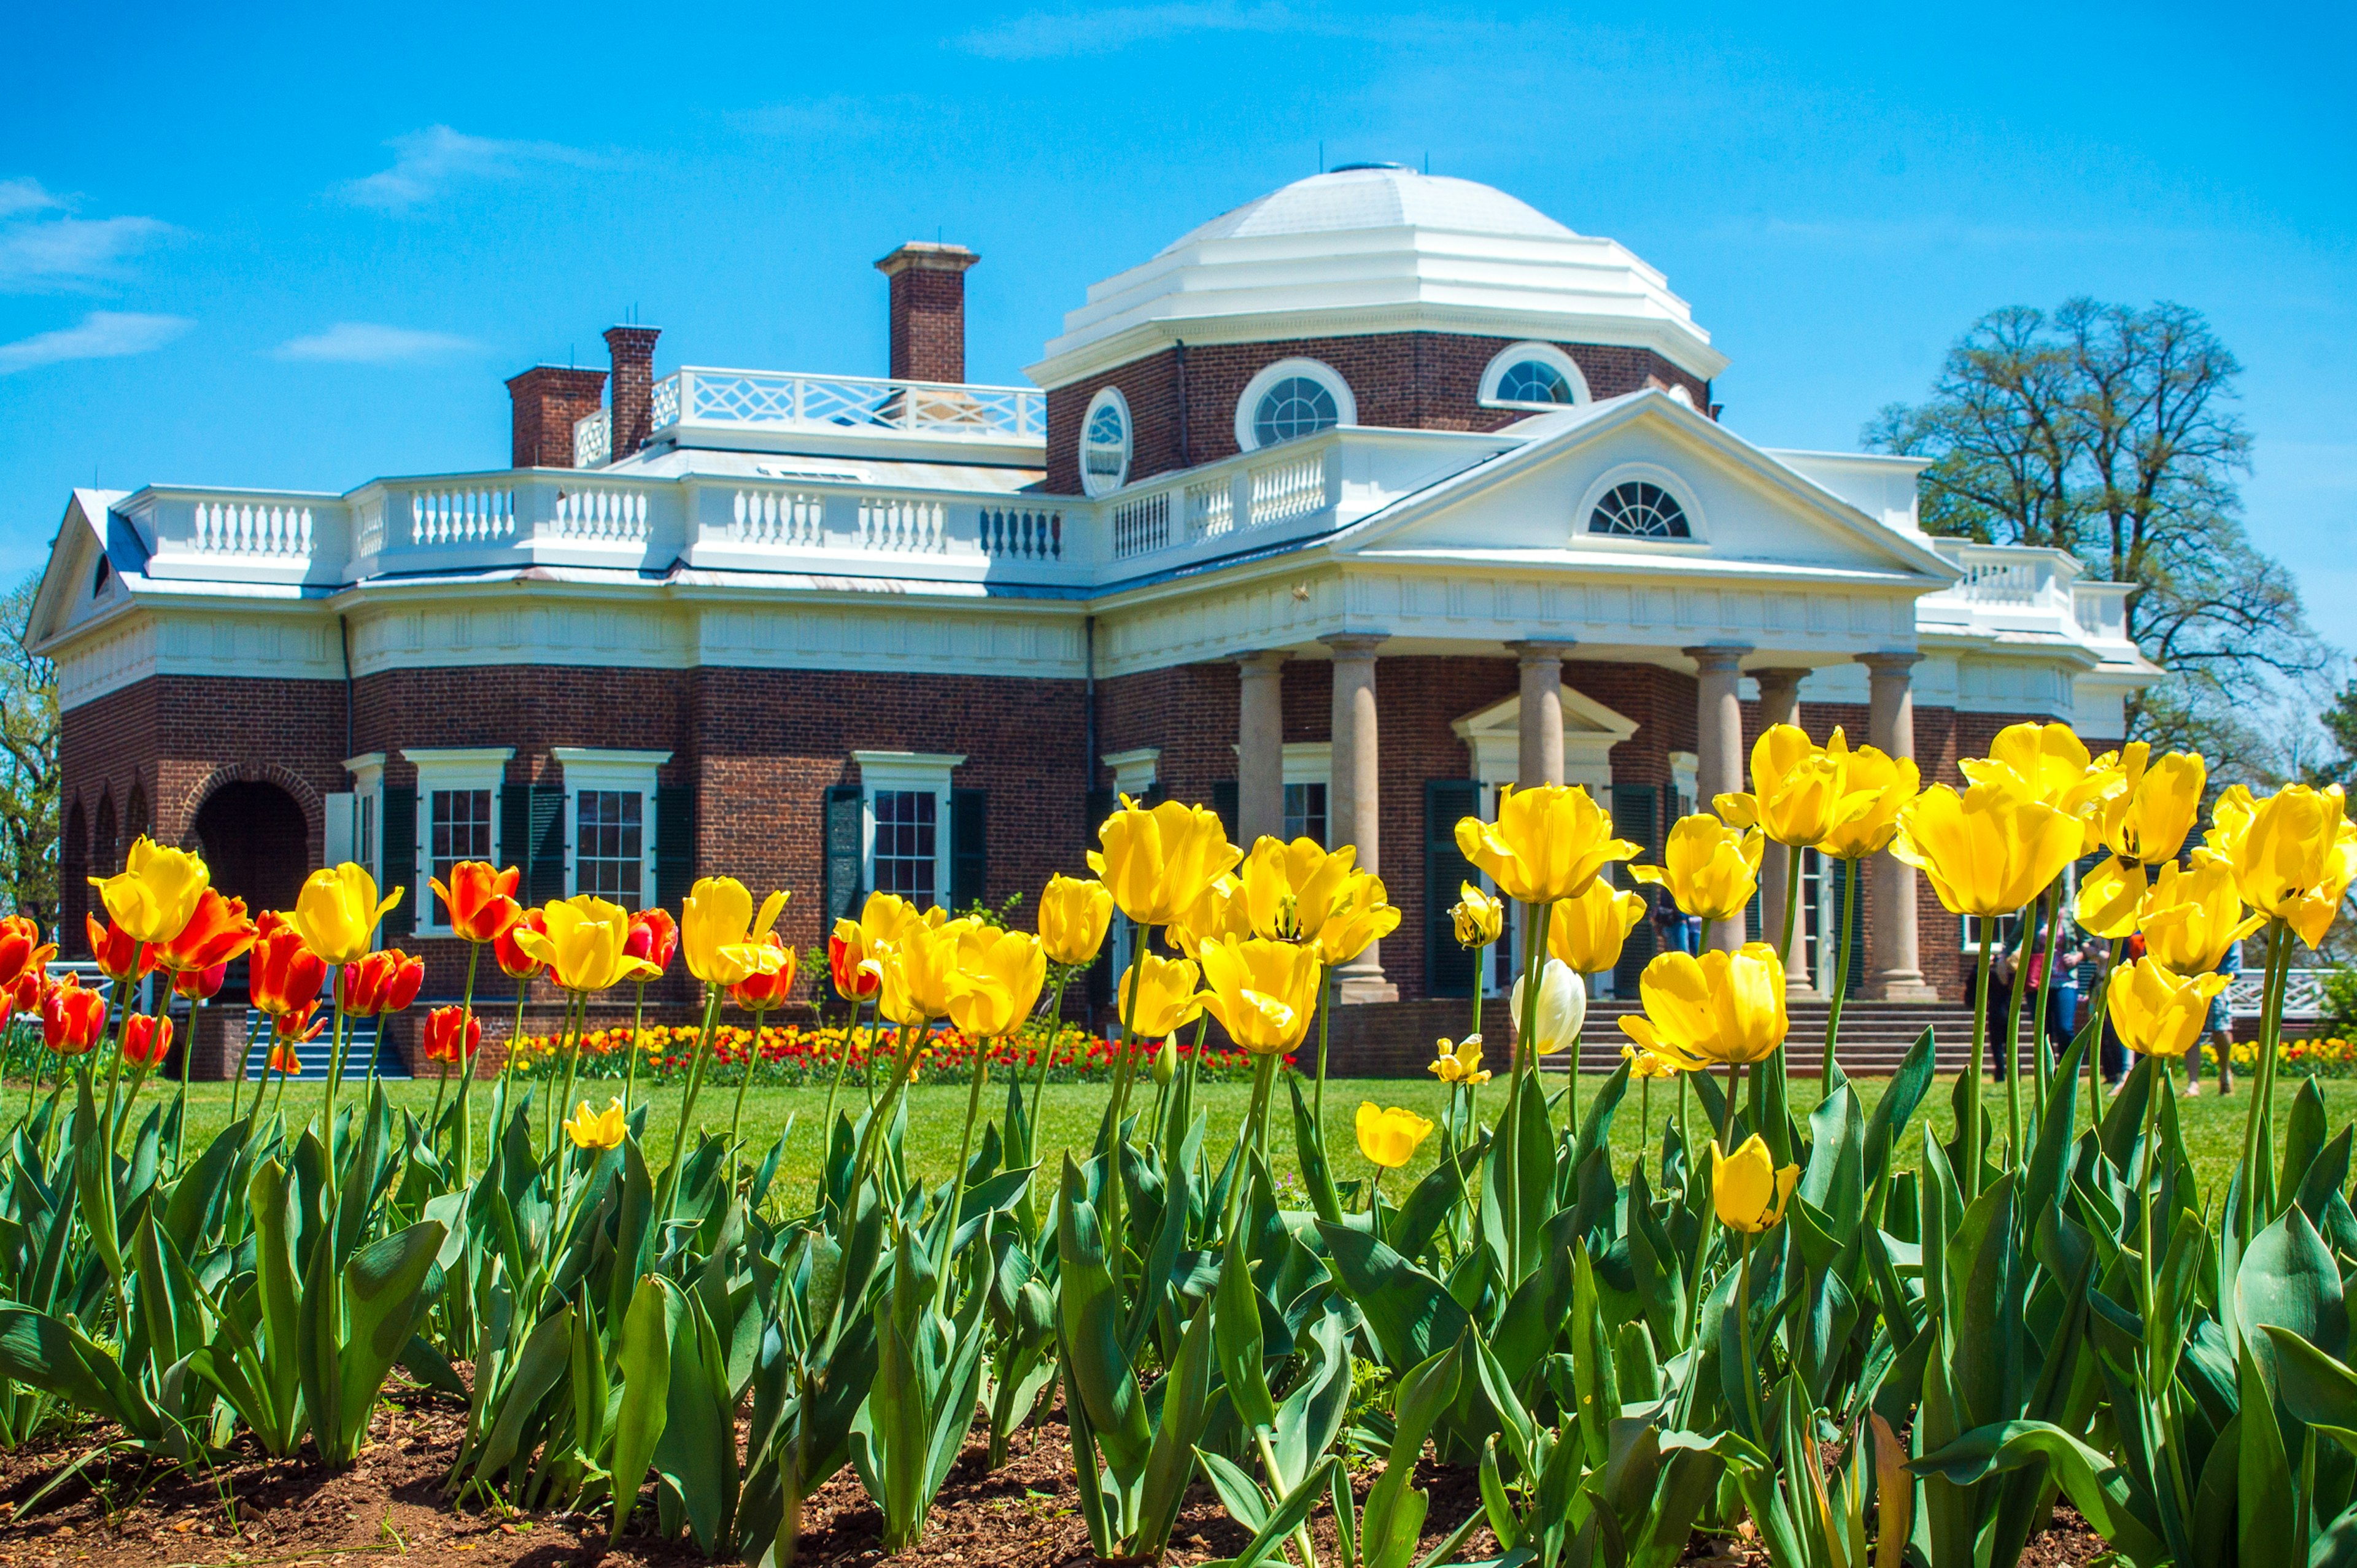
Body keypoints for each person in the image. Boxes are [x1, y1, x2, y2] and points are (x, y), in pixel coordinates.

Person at [2186, 938, 2240, 1097]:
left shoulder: (2225, 917)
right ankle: (2193, 1083)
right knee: (2190, 1034)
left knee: (2221, 1029)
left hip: (2217, 979)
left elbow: (2233, 946)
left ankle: (2225, 1072)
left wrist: (2231, 971)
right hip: (2190, 980)